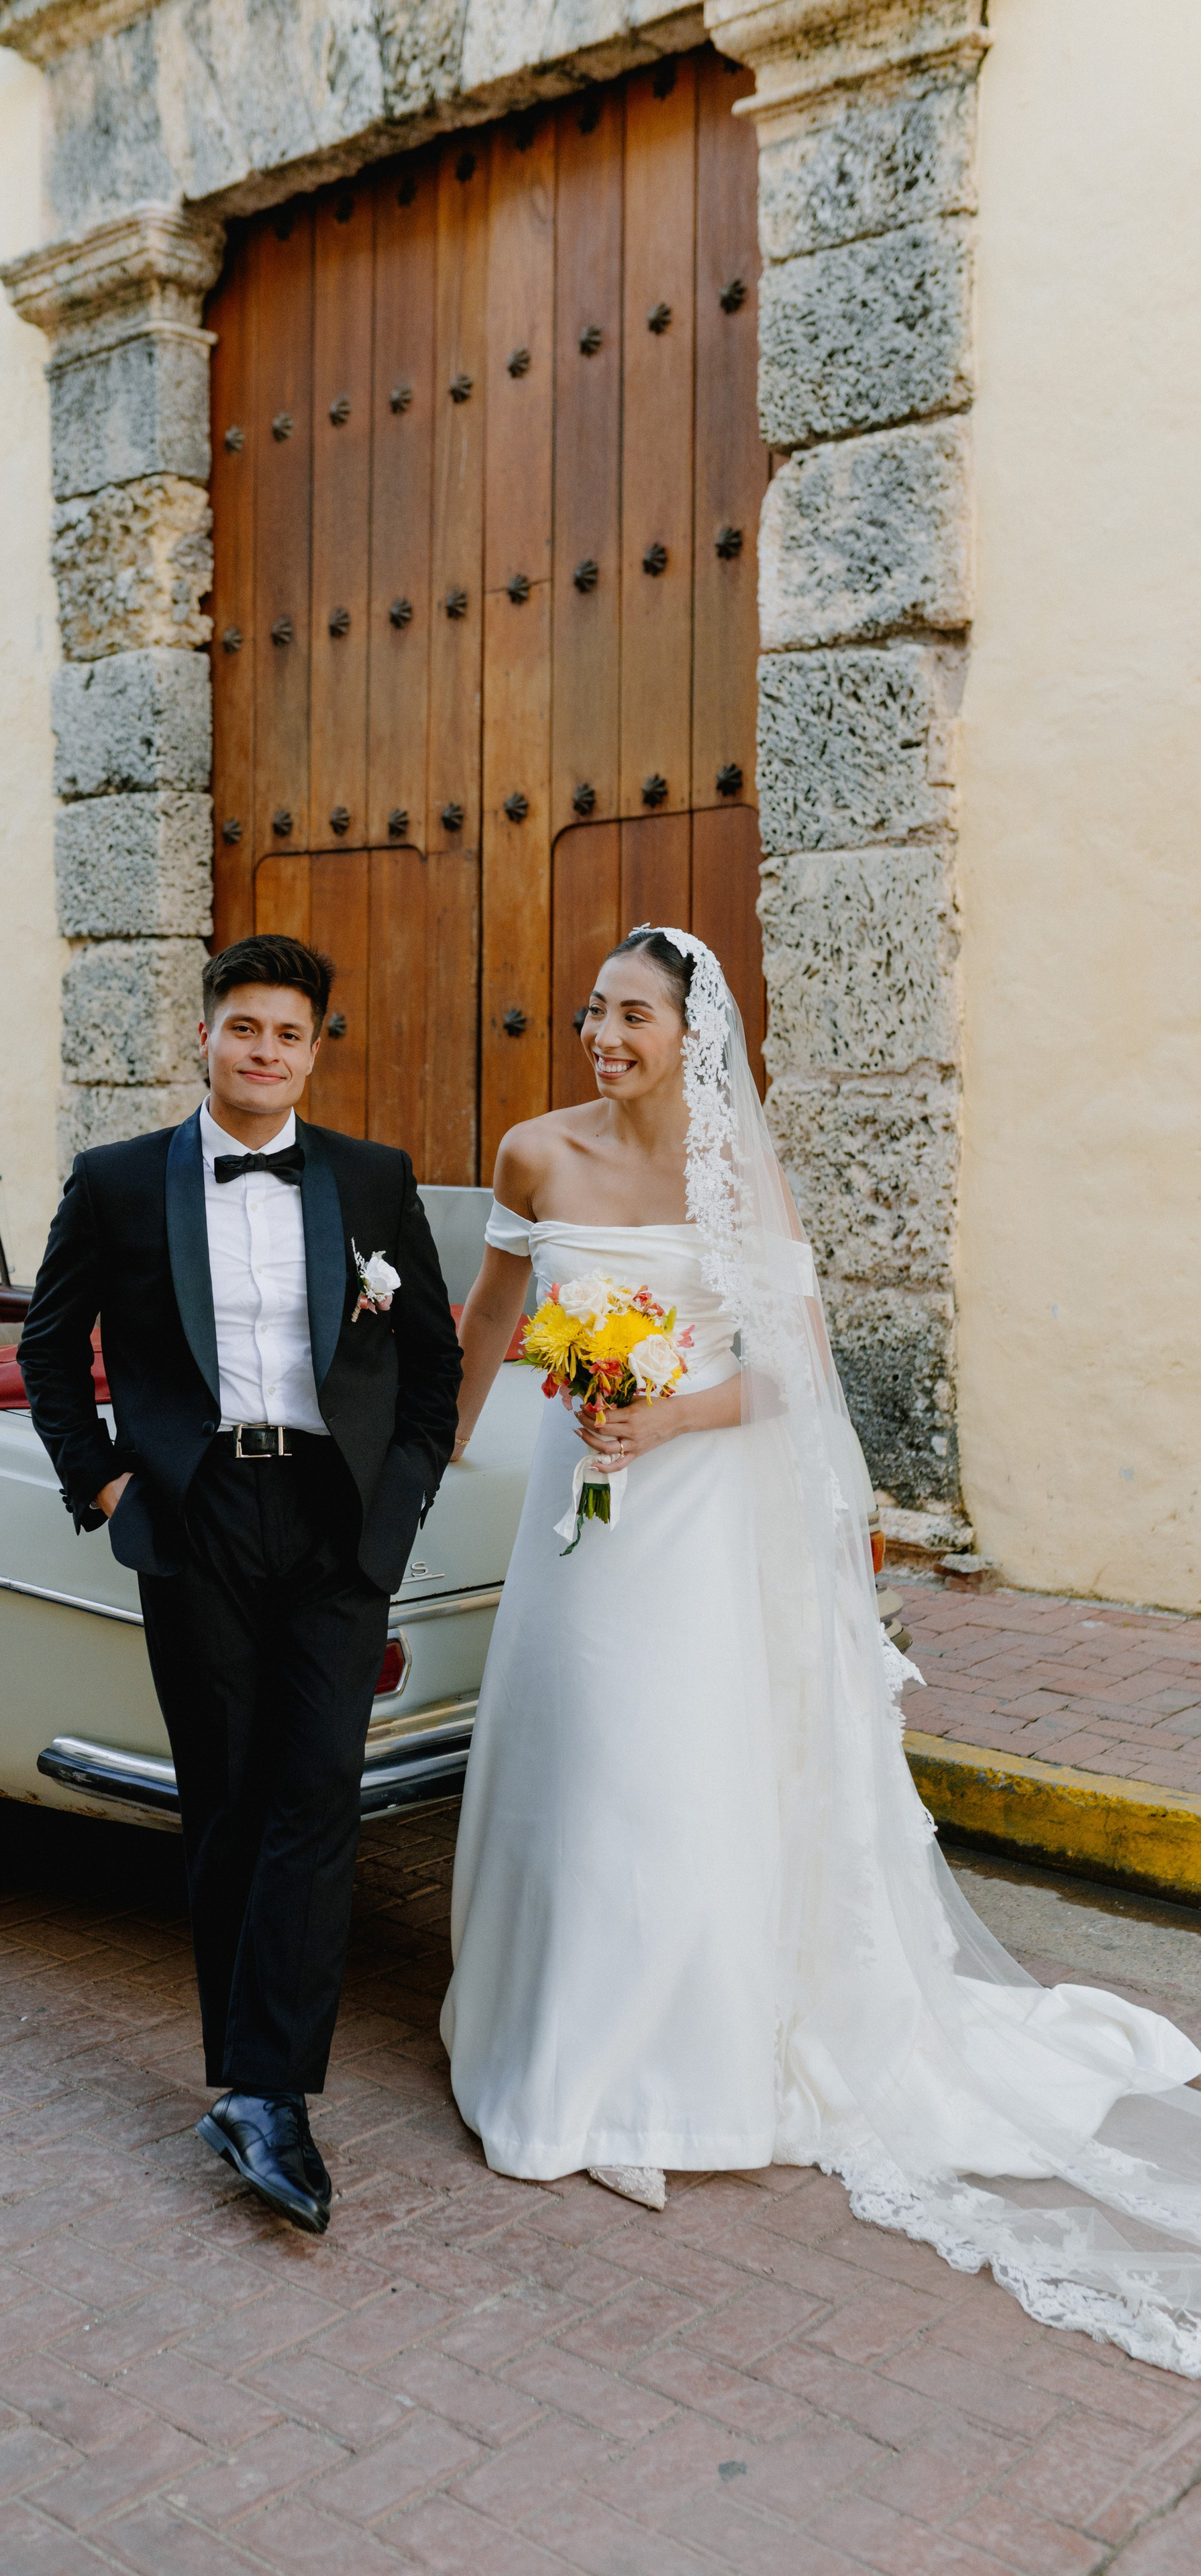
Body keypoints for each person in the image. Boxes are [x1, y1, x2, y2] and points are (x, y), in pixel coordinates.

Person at [441, 924, 1201, 2373]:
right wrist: (436, 1458)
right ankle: (540, 2042)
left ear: (692, 1034)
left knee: (662, 1775)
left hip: (687, 1525)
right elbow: (491, 1323)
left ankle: (664, 2080)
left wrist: (658, 1418)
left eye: (634, 1017)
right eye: (592, 1012)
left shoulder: (739, 1172)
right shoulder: (533, 1152)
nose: (603, 1037)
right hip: (573, 1519)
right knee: (562, 1763)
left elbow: (792, 1381)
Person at [19, 933, 461, 2236]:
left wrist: (397, 1507)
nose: (265, 1051)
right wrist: (104, 1488)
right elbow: (50, 1352)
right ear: (202, 1035)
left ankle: (272, 2091)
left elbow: (426, 1369)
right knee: (224, 1796)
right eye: (243, 1028)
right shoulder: (112, 1184)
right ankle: (251, 2083)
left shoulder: (372, 1184)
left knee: (315, 1788)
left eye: (290, 1033)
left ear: (317, 1048)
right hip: (195, 1515)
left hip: (334, 1527)